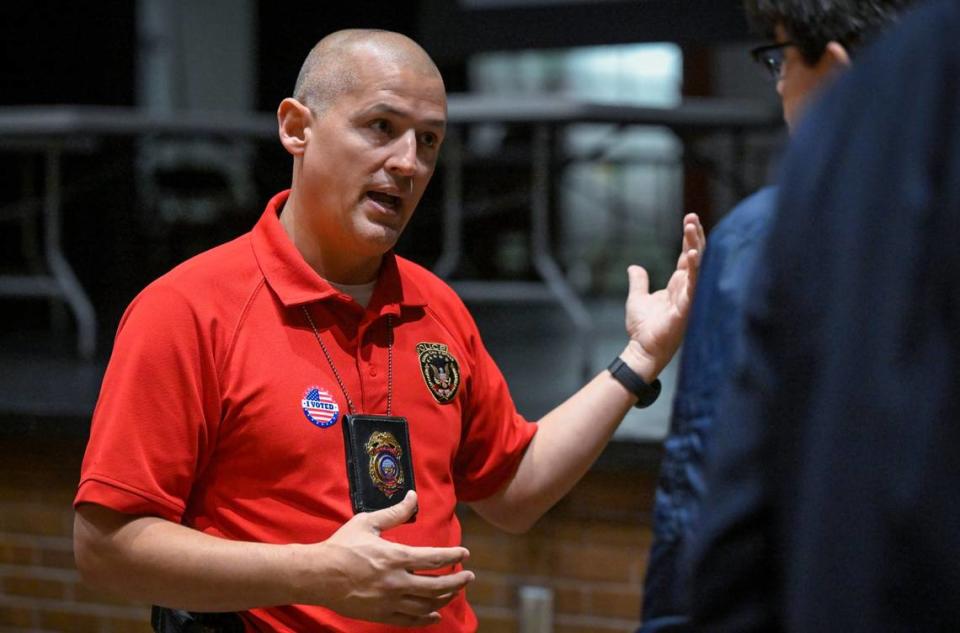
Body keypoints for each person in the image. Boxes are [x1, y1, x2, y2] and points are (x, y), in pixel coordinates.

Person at [73, 29, 704, 632]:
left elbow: (515, 491)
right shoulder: (187, 309)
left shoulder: (437, 307)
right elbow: (108, 546)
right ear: (297, 128)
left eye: (429, 141)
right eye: (382, 127)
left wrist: (640, 358)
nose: (408, 163)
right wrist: (315, 574)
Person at [638, 2, 915, 630]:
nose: (782, 85)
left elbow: (708, 491)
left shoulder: (767, 241)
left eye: (780, 60)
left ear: (836, 72)